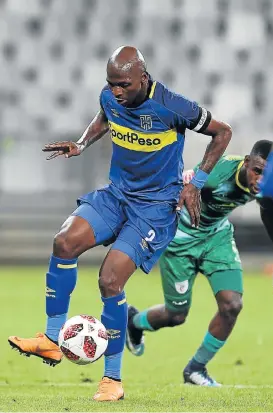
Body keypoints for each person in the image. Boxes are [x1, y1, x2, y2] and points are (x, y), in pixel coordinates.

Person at [8, 46, 232, 401]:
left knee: (110, 280)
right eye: (110, 83)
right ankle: (52, 340)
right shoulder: (111, 96)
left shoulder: (173, 106)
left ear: (143, 77)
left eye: (123, 84)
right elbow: (104, 115)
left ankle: (112, 380)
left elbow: (223, 132)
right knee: (63, 243)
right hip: (117, 196)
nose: (115, 91)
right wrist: (81, 145)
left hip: (155, 208)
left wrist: (196, 183)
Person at [126, 140, 273, 387]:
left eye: (267, 174)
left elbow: (268, 209)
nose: (260, 179)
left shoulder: (267, 185)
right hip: (180, 243)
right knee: (176, 315)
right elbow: (173, 189)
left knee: (232, 305)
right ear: (247, 162)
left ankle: (195, 369)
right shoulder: (216, 174)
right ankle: (134, 321)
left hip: (216, 239)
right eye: (257, 171)